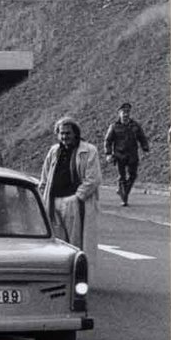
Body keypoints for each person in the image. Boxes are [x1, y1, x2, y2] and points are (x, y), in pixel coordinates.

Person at [37, 116, 101, 271]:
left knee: (75, 243)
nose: (64, 136)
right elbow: (45, 177)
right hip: (53, 201)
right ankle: (60, 274)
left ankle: (77, 275)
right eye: (61, 133)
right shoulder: (54, 151)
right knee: (57, 243)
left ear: (76, 133)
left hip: (74, 202)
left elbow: (93, 179)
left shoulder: (88, 150)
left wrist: (77, 197)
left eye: (68, 133)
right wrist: (42, 196)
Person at [102, 102, 150, 207]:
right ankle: (124, 198)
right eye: (123, 112)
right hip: (120, 155)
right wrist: (108, 153)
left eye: (127, 112)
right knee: (122, 177)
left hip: (133, 155)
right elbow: (108, 141)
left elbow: (142, 138)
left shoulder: (135, 125)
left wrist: (145, 148)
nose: (126, 114)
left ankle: (123, 191)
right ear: (119, 113)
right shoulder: (114, 126)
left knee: (133, 175)